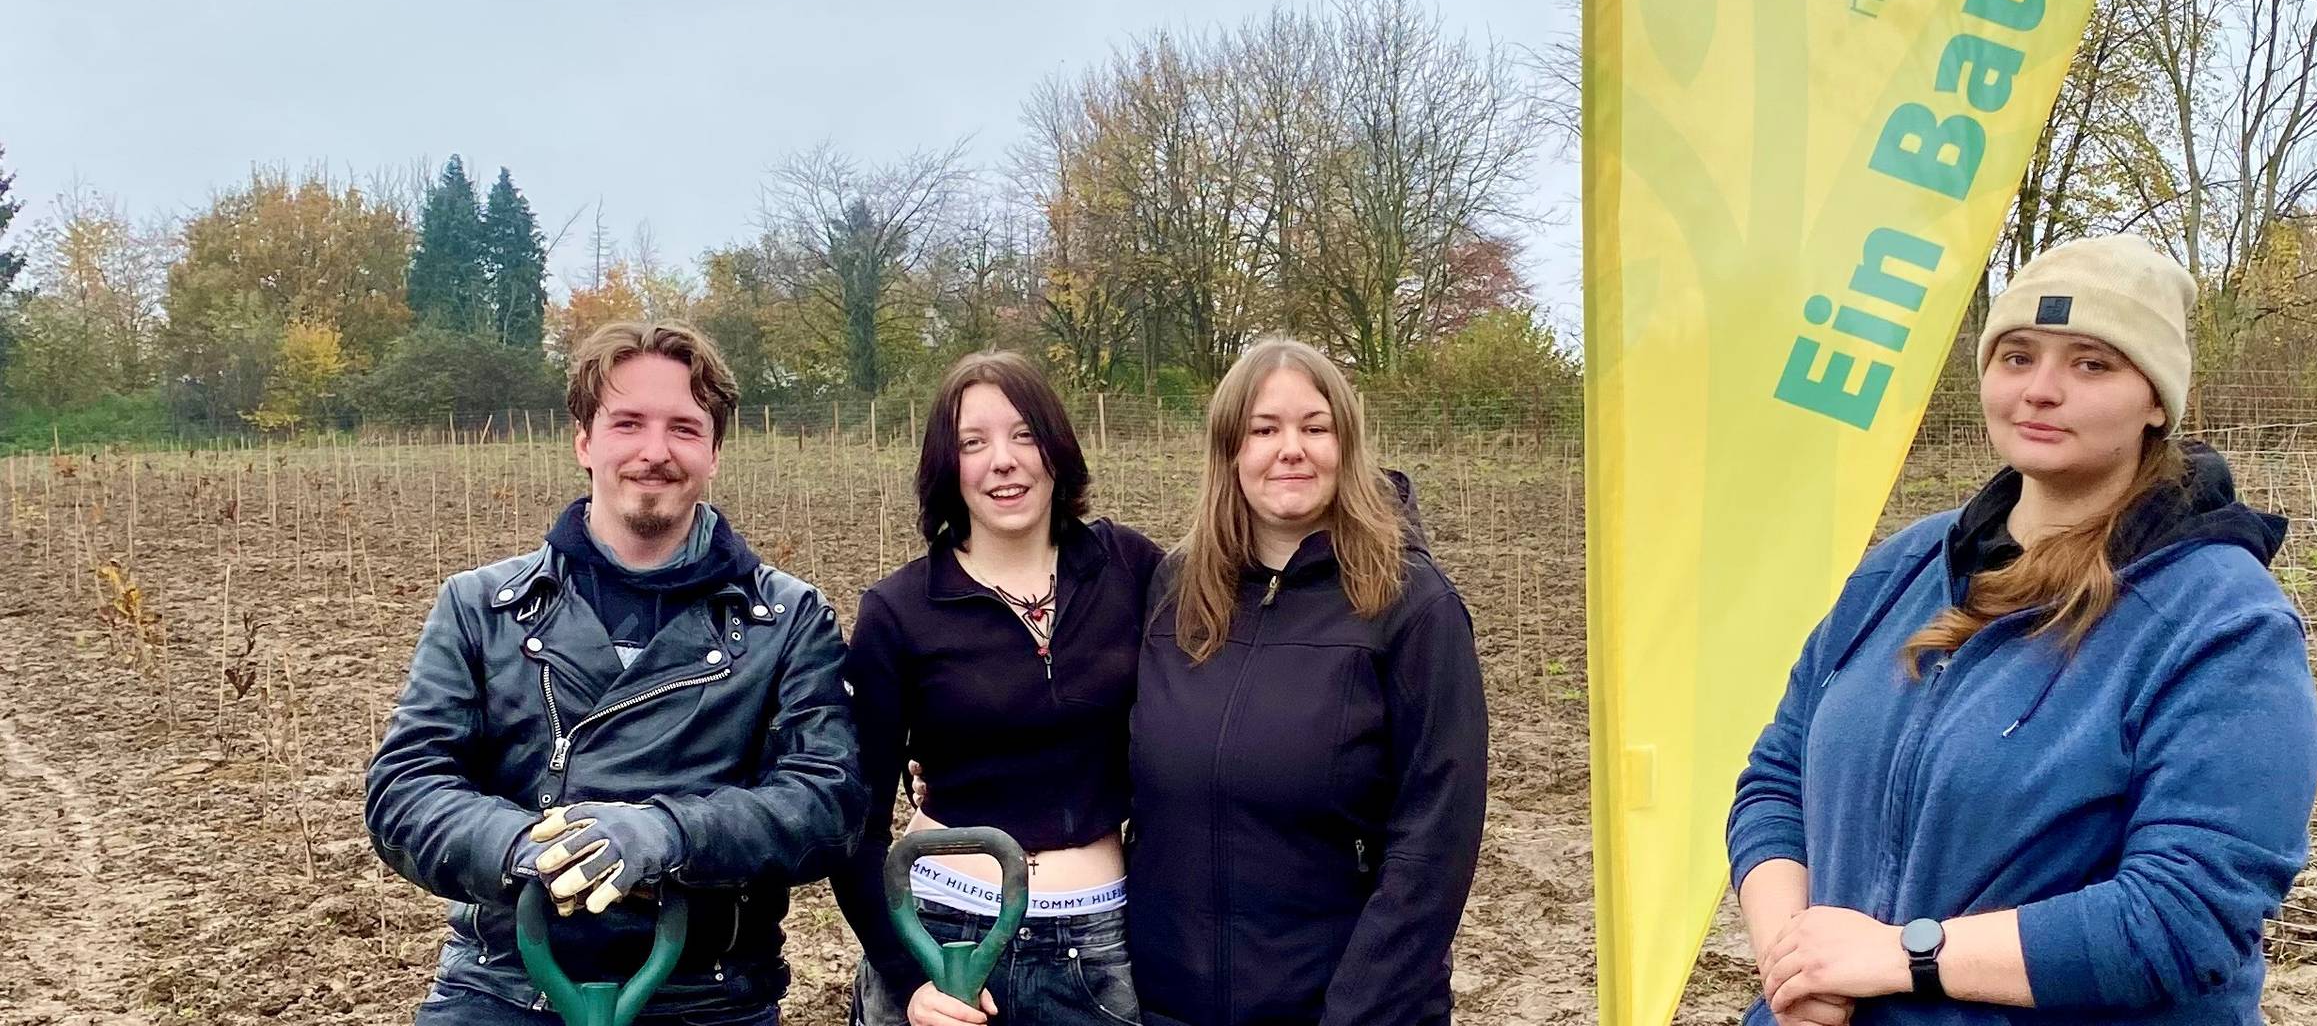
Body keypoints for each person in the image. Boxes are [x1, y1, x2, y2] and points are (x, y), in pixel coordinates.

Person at [1728, 236, 2317, 1026]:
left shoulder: (2221, 620)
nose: (2041, 391)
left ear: (2156, 400)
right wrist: (1798, 964)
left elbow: (2185, 919)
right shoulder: (1901, 568)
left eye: (2091, 364)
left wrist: (1900, 956)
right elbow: (1776, 780)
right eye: (2016, 357)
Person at [364, 321, 867, 1025]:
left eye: (684, 429)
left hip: (707, 992)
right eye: (627, 423)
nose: (654, 452)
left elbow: (828, 803)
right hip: (507, 983)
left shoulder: (785, 618)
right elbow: (405, 788)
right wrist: (525, 849)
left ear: (714, 453)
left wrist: (666, 835)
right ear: (584, 441)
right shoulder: (481, 607)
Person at [1126, 338, 1489, 1026]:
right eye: (1264, 429)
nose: (1290, 448)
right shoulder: (1175, 591)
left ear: (1345, 446)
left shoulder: (1412, 605)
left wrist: (1358, 1012)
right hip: (1167, 1006)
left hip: (1342, 1010)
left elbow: (1434, 845)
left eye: (1314, 428)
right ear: (1230, 452)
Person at [833, 351, 1165, 1026]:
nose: (1003, 461)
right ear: (946, 468)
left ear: (1056, 449)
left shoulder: (1128, 566)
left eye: (1023, 434)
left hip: (1099, 943)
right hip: (943, 938)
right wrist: (906, 976)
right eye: (972, 443)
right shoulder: (899, 612)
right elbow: (853, 827)